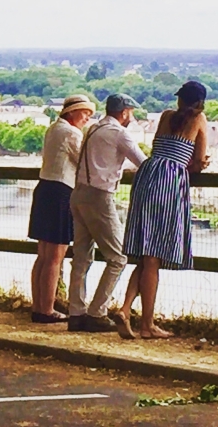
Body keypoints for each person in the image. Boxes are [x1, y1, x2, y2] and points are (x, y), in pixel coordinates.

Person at [117, 81, 209, 339]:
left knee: (146, 255)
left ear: (180, 99)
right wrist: (194, 165)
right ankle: (147, 326)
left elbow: (160, 144)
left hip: (148, 173)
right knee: (154, 255)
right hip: (170, 181)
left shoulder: (166, 116)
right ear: (200, 102)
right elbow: (199, 160)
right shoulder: (199, 120)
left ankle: (125, 310)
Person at [68, 93, 148, 333]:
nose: (131, 117)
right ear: (124, 112)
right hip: (100, 196)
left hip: (78, 193)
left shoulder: (92, 129)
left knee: (81, 256)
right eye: (131, 113)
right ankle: (97, 312)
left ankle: (76, 312)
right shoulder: (119, 134)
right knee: (118, 257)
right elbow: (143, 162)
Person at [28, 95, 96, 323]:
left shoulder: (53, 129)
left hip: (45, 188)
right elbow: (83, 162)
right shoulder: (71, 133)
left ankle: (38, 306)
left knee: (43, 256)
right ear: (72, 112)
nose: (87, 117)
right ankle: (46, 309)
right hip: (61, 192)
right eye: (84, 112)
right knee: (56, 256)